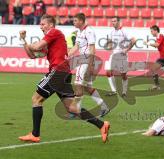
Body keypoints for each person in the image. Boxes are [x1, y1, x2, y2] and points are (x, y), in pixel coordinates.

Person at [18, 14, 110, 143]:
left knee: (36, 99)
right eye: (40, 24)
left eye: (43, 24)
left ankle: (35, 134)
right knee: (71, 108)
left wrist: (31, 44)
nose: (40, 26)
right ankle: (101, 125)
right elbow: (32, 55)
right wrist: (24, 41)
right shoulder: (50, 40)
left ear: (51, 25)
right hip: (64, 73)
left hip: (58, 72)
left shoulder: (55, 32)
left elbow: (37, 47)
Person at [68, 13, 110, 117]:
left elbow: (92, 49)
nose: (74, 22)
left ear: (81, 21)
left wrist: (91, 65)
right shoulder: (79, 32)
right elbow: (76, 46)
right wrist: (67, 54)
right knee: (87, 87)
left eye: (75, 21)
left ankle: (76, 110)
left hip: (86, 60)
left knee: (77, 84)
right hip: (83, 60)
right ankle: (104, 107)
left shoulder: (89, 31)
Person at [105, 16, 136, 97]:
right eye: (112, 21)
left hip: (122, 56)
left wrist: (127, 49)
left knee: (123, 75)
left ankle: (124, 92)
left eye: (114, 21)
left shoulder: (124, 31)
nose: (113, 23)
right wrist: (110, 46)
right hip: (114, 55)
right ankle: (114, 91)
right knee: (108, 72)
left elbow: (134, 40)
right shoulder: (111, 32)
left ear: (118, 22)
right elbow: (110, 42)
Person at [143, 25, 164, 90]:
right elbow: (156, 46)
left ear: (155, 31)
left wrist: (147, 43)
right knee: (153, 69)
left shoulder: (161, 36)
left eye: (151, 31)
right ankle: (157, 86)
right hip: (162, 58)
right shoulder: (157, 38)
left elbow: (157, 45)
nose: (151, 32)